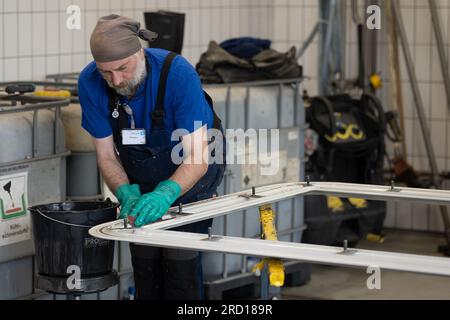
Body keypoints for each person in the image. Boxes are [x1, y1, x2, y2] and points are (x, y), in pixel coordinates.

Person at [78, 14, 225, 300]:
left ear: (139, 52)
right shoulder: (89, 82)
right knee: (145, 267)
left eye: (122, 68)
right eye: (106, 73)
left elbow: (197, 157)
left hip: (190, 178)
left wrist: (166, 193)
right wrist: (124, 192)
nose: (116, 80)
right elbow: (107, 155)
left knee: (179, 266)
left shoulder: (177, 75)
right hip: (141, 182)